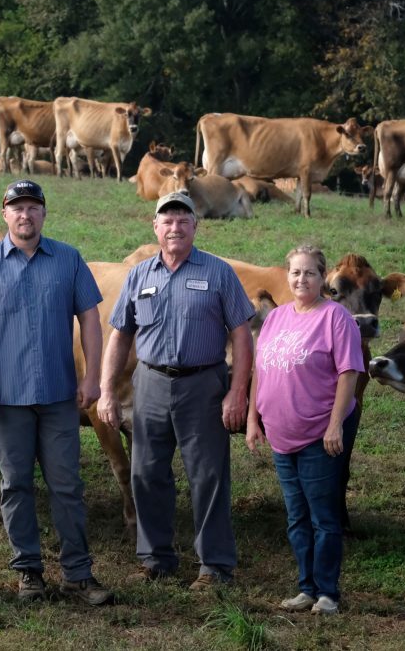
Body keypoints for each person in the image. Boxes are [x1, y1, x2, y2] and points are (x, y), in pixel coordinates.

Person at [0, 179, 112, 606]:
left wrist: (92, 376)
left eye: (32, 207)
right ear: (4, 214)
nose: (25, 215)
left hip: (59, 395)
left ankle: (77, 575)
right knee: (15, 485)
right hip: (5, 398)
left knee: (67, 485)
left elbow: (90, 321)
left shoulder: (68, 259)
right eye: (16, 208)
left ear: (43, 213)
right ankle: (28, 573)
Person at [97, 192, 254, 590]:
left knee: (208, 476)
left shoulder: (218, 272)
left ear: (195, 227)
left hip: (203, 383)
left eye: (183, 219)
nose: (175, 227)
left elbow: (241, 335)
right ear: (155, 227)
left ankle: (214, 566)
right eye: (167, 220)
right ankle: (156, 559)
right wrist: (107, 390)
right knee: (147, 472)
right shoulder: (139, 275)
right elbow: (119, 336)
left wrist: (237, 392)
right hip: (149, 383)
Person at [245, 245, 363, 615]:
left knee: (323, 518)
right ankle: (306, 588)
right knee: (296, 517)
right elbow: (259, 372)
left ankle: (327, 592)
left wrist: (334, 425)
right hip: (281, 435)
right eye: (295, 272)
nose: (301, 279)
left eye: (309, 273)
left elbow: (349, 373)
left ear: (322, 278)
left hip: (318, 434)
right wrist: (253, 419)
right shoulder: (277, 318)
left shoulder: (336, 318)